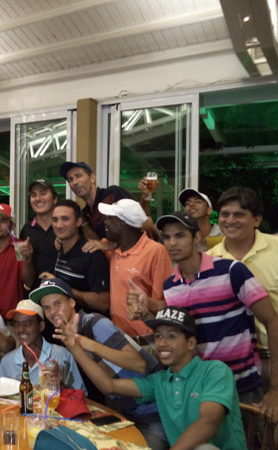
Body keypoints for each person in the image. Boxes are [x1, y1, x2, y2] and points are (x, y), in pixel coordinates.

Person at [135, 211, 278, 420]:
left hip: (241, 386)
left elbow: (272, 321)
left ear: (197, 238)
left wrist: (275, 388)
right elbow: (183, 337)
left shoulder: (231, 270)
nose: (172, 242)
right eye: (166, 237)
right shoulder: (171, 286)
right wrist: (145, 314)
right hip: (199, 388)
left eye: (180, 235)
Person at [59, 305, 247, 450]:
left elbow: (208, 422)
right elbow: (108, 386)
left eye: (171, 336)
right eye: (158, 336)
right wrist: (75, 347)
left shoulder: (214, 370)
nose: (162, 343)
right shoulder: (160, 380)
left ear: (190, 343)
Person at [29, 278, 166, 449]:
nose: (52, 311)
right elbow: (105, 386)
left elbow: (140, 364)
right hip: (124, 413)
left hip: (156, 414)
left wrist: (86, 343)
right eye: (47, 307)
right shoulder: (69, 336)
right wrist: (59, 380)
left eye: (57, 303)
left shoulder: (95, 323)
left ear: (72, 302)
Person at [207, 187, 278, 417]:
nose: (230, 220)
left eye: (239, 214)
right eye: (225, 214)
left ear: (257, 220)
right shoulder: (210, 260)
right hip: (236, 368)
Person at [99, 199, 173, 339]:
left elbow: (167, 304)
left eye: (110, 219)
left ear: (122, 224)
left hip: (148, 337)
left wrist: (145, 302)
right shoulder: (112, 249)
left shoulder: (156, 251)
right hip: (120, 338)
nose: (105, 222)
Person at [40, 200, 109, 313]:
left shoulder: (92, 254)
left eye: (65, 219)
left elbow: (103, 303)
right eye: (55, 220)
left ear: (78, 222)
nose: (59, 225)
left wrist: (60, 286)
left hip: (86, 327)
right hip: (64, 325)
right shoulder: (60, 248)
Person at [0, 300, 85, 390]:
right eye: (17, 324)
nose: (21, 329)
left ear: (41, 326)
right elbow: (3, 400)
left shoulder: (61, 355)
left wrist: (60, 385)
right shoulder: (7, 362)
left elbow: (79, 396)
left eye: (28, 324)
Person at [59, 161, 132, 240]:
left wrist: (110, 245)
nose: (74, 182)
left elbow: (139, 222)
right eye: (70, 180)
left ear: (92, 178)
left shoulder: (113, 193)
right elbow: (96, 244)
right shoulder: (85, 214)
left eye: (78, 176)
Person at [20, 179, 58, 290]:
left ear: (55, 199)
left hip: (64, 296)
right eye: (33, 195)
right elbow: (27, 281)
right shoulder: (26, 230)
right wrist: (27, 259)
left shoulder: (64, 227)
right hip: (36, 296)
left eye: (43, 193)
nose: (38, 198)